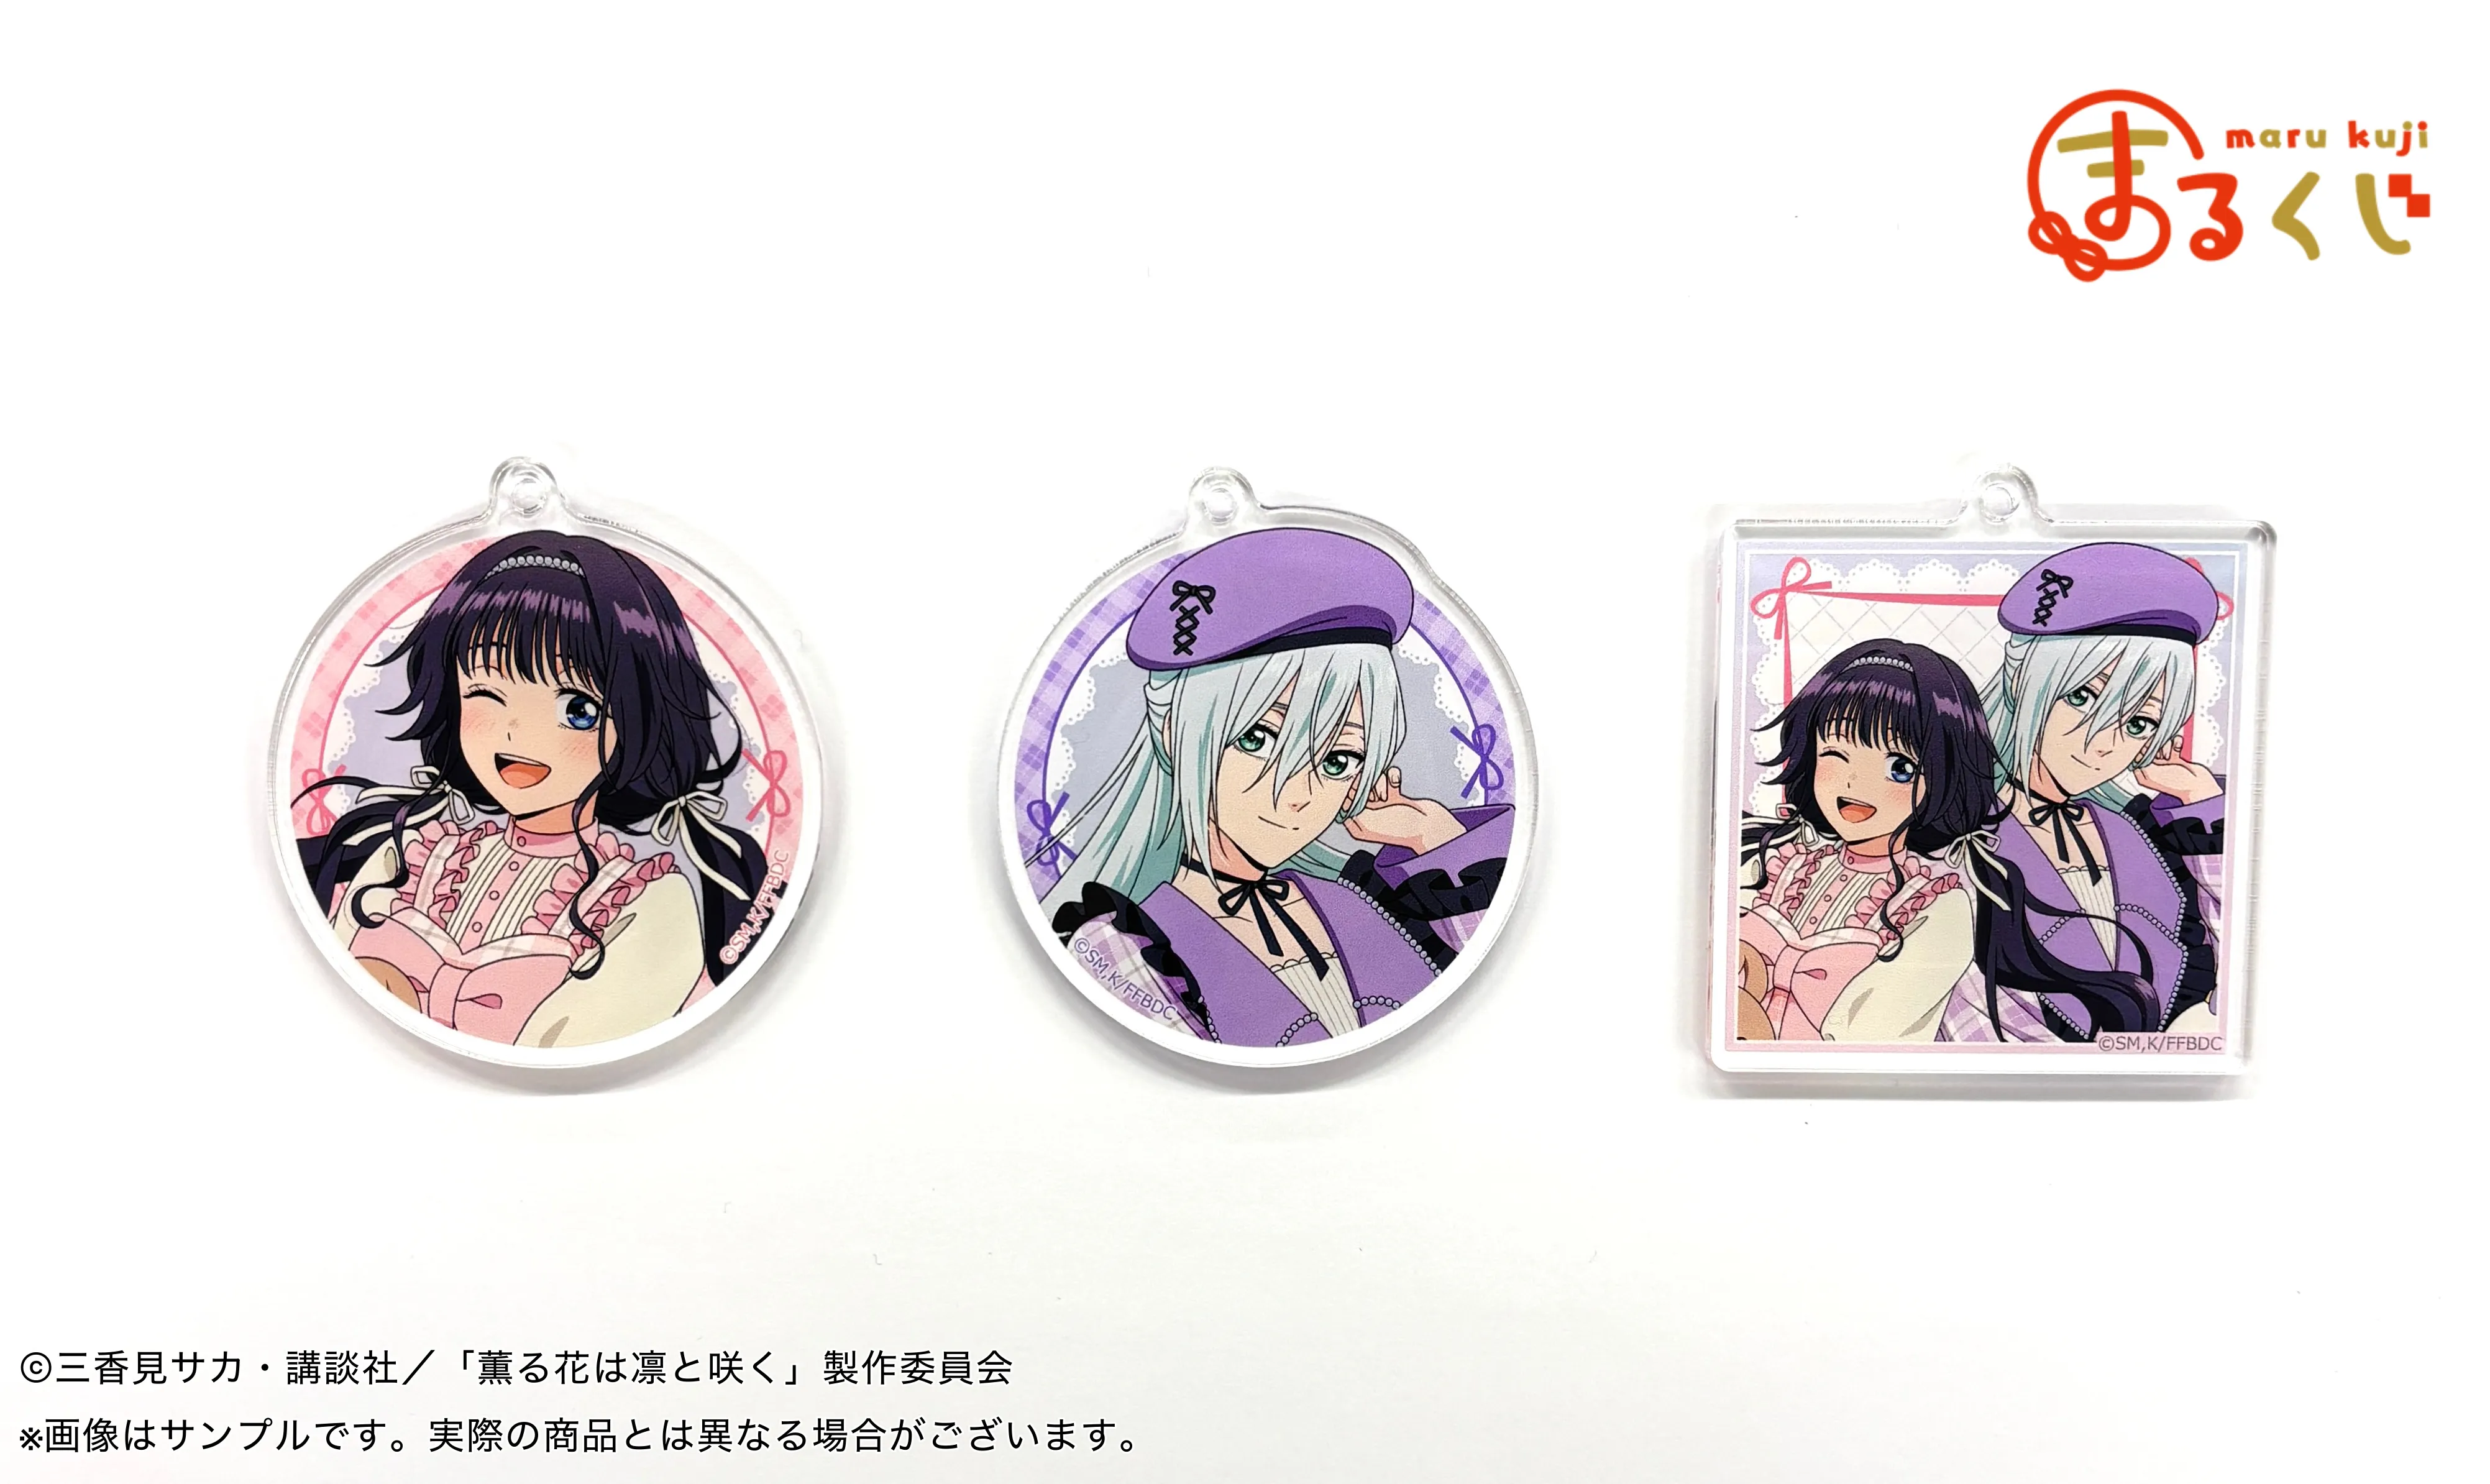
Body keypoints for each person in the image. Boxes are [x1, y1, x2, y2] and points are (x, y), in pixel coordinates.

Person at [1035, 528, 1510, 1048]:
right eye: (1257, 739)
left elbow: (1483, 1000)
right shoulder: (1126, 944)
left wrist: (1429, 837)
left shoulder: (1372, 900)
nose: (1296, 794)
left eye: (1338, 760)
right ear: (1173, 732)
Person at [298, 531, 772, 1048]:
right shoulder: (410, 853)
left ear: (638, 720)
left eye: (577, 709)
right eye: (485, 693)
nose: (517, 734)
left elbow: (582, 1045)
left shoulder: (649, 903)